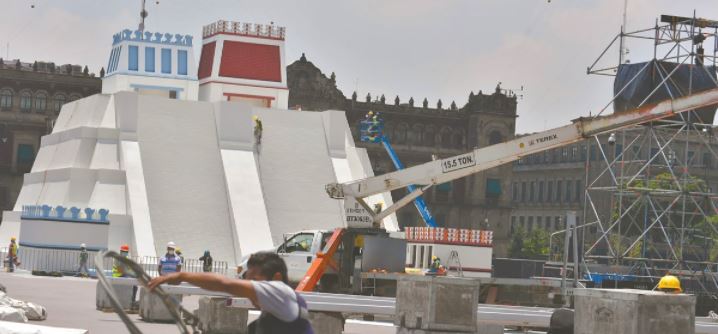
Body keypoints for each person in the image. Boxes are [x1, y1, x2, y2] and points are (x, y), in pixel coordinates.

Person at [148, 251, 313, 334]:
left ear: (276, 277)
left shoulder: (280, 291)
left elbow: (224, 284)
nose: (249, 288)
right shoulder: (281, 308)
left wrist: (182, 275)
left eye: (254, 281)